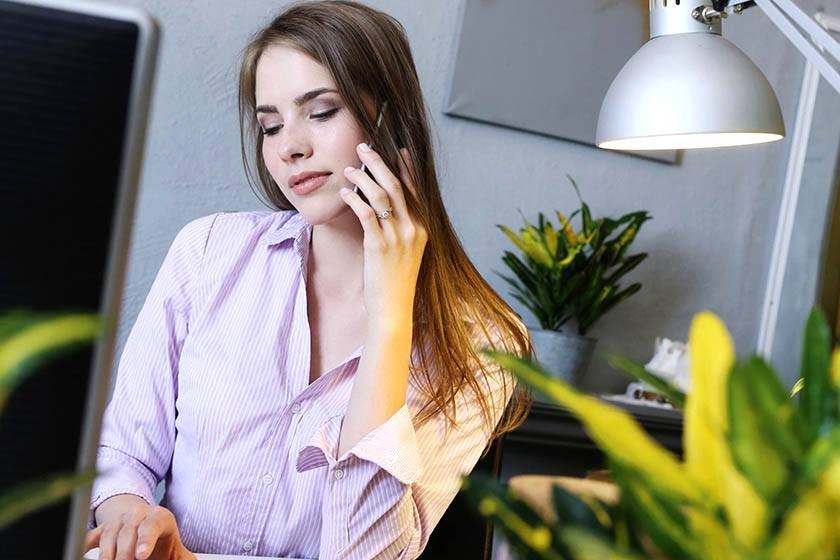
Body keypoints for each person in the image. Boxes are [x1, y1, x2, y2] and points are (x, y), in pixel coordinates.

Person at [83, 1, 533, 559]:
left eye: (321, 112)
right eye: (270, 124)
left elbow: (367, 555)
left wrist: (390, 311)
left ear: (394, 121)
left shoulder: (484, 341)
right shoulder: (207, 253)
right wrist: (132, 521)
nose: (288, 146)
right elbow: (121, 451)